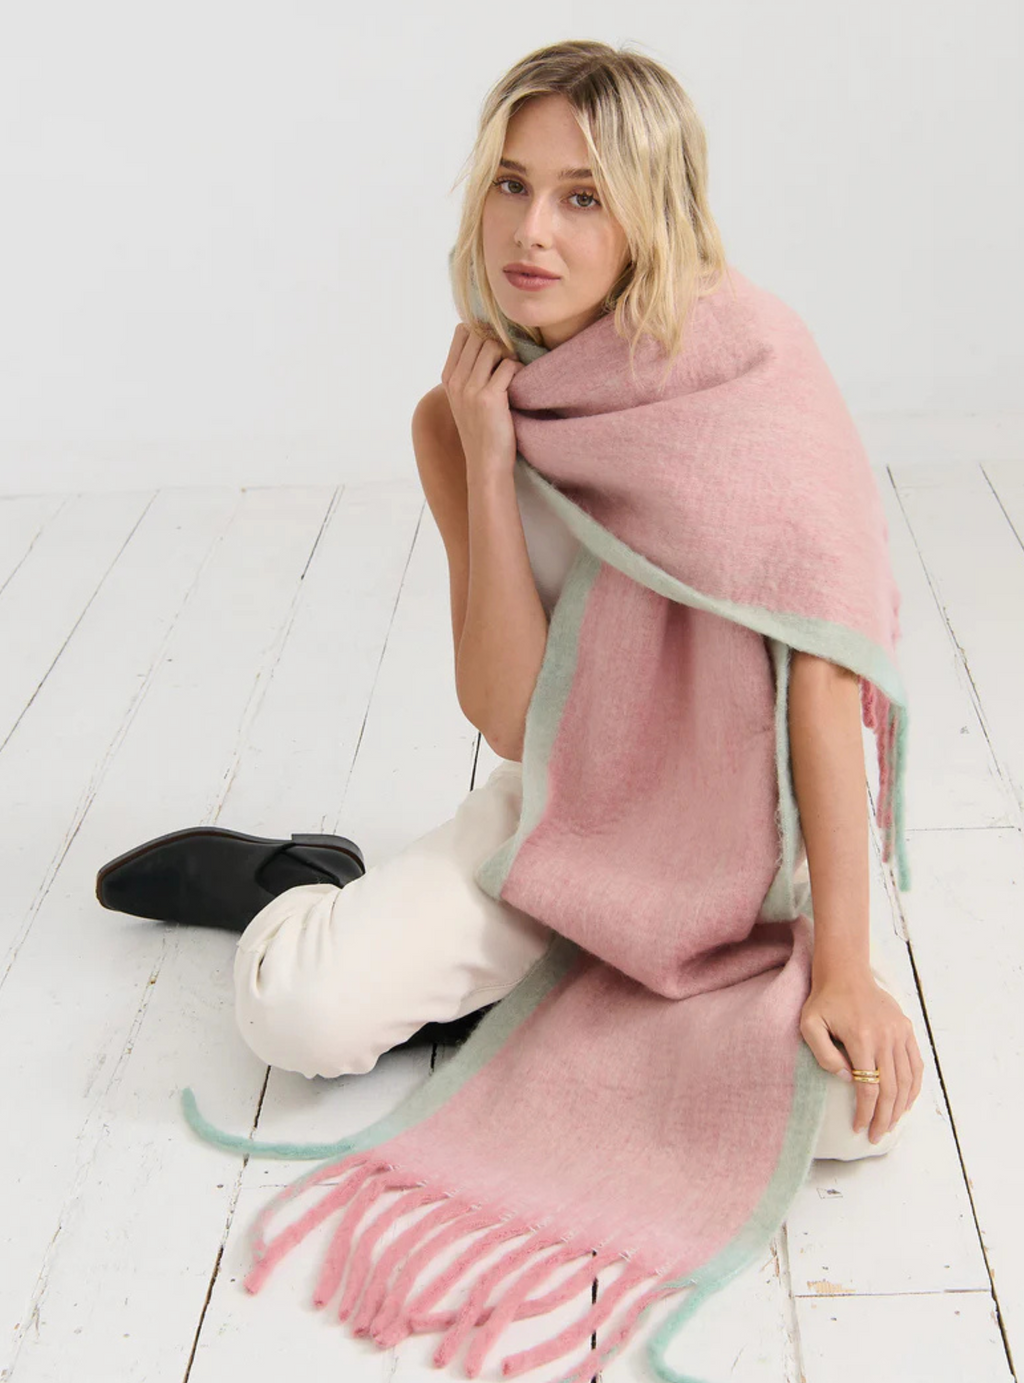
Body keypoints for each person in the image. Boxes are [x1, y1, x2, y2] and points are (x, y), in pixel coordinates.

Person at [96, 40, 923, 1160]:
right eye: (511, 184)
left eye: (583, 197)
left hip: (748, 860)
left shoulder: (755, 380)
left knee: (844, 1116)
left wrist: (845, 970)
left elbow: (822, 689)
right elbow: (508, 719)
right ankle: (303, 887)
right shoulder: (466, 416)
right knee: (298, 1017)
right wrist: (489, 462)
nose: (532, 230)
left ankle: (561, 999)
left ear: (652, 214)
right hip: (567, 819)